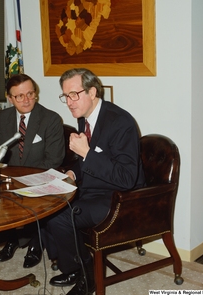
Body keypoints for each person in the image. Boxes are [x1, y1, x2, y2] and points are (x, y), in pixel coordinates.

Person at [42, 68, 145, 295]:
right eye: (65, 96)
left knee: (60, 215)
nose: (69, 102)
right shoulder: (85, 116)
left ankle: (88, 277)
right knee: (46, 204)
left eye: (74, 95)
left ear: (92, 92)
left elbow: (126, 178)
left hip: (120, 199)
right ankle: (73, 268)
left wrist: (87, 153)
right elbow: (90, 161)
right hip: (94, 188)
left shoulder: (120, 122)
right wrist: (72, 174)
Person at [0, 73, 65, 268]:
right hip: (12, 175)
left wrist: (24, 179)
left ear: (35, 93)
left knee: (30, 197)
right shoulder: (3, 117)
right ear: (10, 98)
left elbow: (54, 159)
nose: (26, 100)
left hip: (41, 176)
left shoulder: (50, 119)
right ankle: (12, 239)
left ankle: (36, 243)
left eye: (30, 94)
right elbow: (2, 152)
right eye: (19, 96)